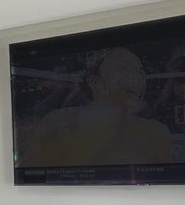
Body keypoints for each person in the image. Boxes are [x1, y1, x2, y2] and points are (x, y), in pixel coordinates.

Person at [19, 47, 173, 168]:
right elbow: (29, 173)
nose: (138, 79)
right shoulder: (57, 122)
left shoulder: (156, 132)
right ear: (95, 82)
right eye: (124, 69)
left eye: (141, 72)